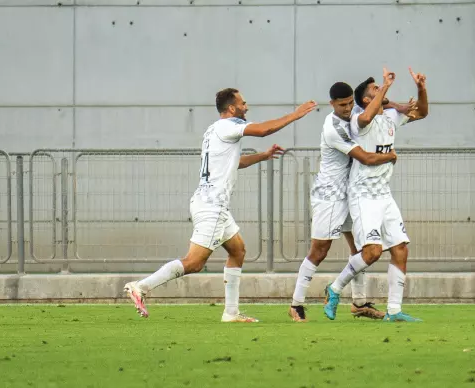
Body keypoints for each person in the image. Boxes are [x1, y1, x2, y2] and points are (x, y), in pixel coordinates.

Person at [124, 88, 317, 322]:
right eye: (243, 103)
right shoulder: (228, 126)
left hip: (210, 203)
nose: (247, 107)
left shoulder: (213, 130)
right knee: (194, 263)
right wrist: (295, 114)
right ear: (232, 108)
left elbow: (234, 162)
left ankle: (231, 312)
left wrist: (263, 156)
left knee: (238, 251)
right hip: (212, 206)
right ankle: (141, 287)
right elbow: (264, 129)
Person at [323, 67, 428, 322]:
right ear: (367, 100)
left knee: (401, 249)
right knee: (371, 252)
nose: (380, 91)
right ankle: (335, 288)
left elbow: (422, 112)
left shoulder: (391, 117)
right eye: (374, 90)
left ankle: (394, 311)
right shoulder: (359, 121)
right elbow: (367, 120)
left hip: (384, 194)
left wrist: (421, 88)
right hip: (363, 195)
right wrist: (386, 86)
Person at [289, 81, 398, 322]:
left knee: (360, 248)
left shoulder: (356, 113)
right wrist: (389, 156)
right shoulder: (333, 128)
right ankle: (296, 304)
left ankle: (359, 303)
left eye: (350, 103)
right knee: (319, 251)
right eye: (342, 105)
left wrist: (397, 102)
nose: (348, 108)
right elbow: (366, 158)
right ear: (332, 105)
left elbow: (382, 105)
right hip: (330, 194)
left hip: (351, 192)